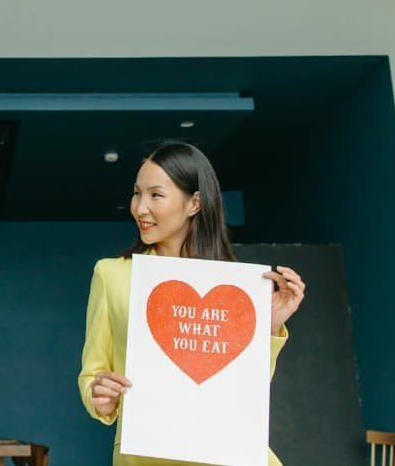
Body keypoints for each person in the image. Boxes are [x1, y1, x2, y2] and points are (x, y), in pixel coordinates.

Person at [78, 142, 305, 466]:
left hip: (227, 456)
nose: (140, 208)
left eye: (155, 195)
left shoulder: (232, 287)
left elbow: (244, 391)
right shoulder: (111, 275)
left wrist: (267, 324)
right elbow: (91, 374)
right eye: (136, 193)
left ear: (194, 203)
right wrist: (99, 396)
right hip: (146, 457)